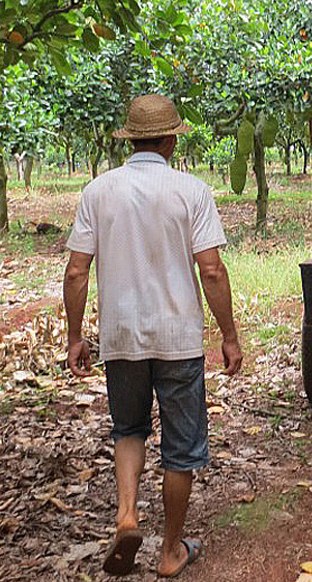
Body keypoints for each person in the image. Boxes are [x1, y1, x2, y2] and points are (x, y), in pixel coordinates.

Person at [63, 94, 243, 578]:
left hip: (120, 337)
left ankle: (126, 516)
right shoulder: (191, 191)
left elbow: (77, 271)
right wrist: (229, 335)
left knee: (129, 430)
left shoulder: (97, 191)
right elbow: (212, 270)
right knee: (180, 449)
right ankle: (169, 550)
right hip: (178, 337)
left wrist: (75, 335)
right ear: (169, 139)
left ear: (131, 139)